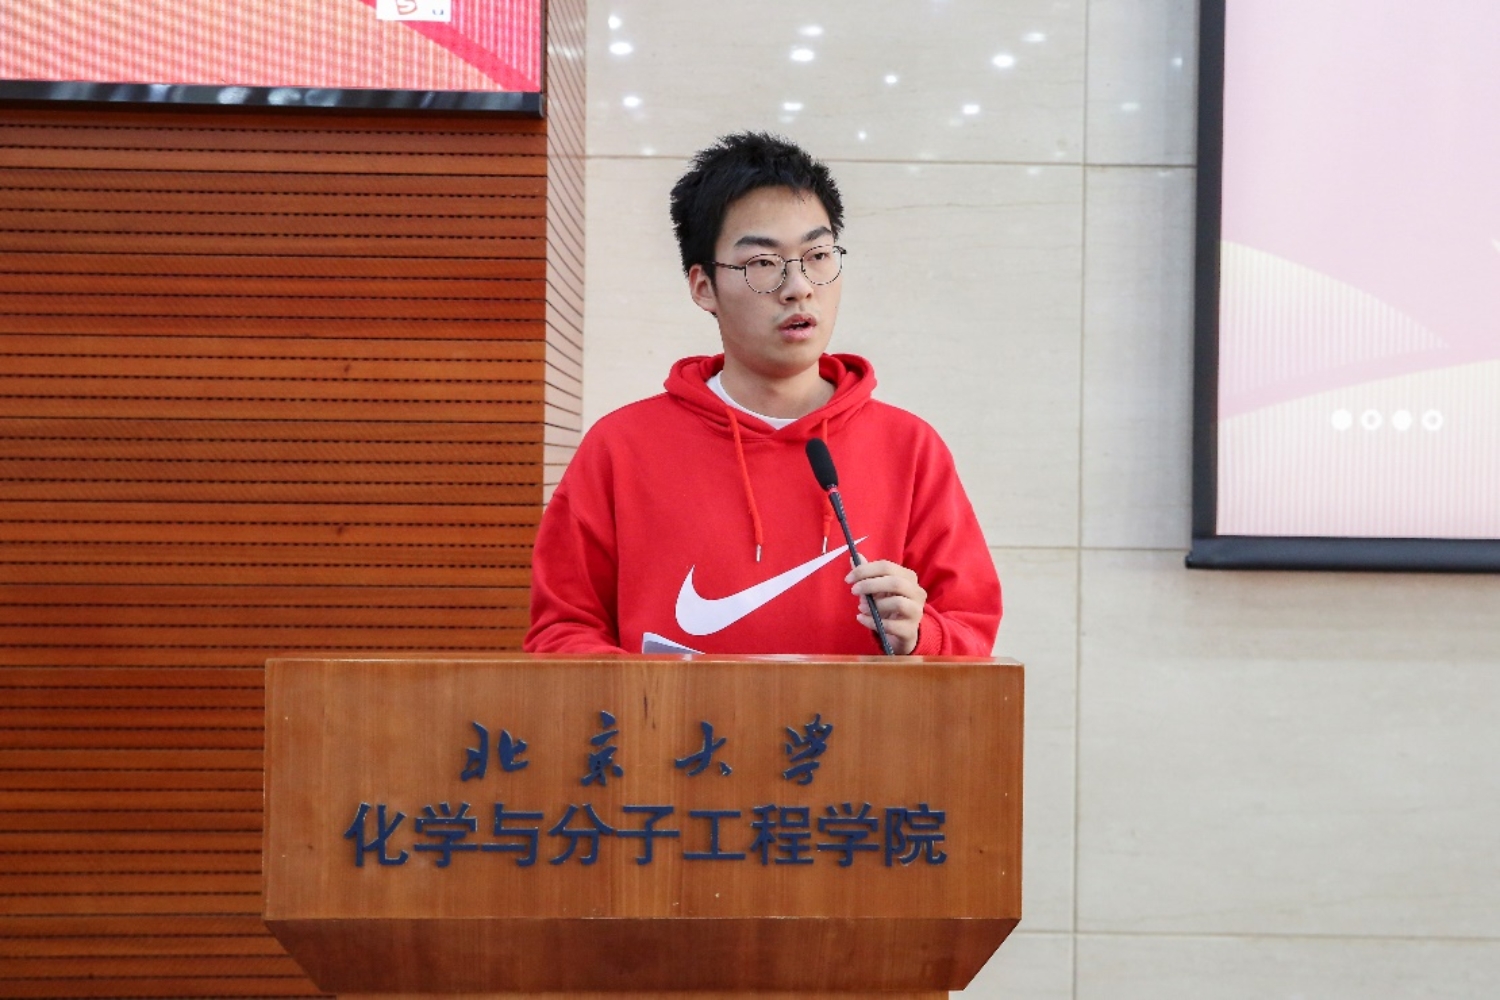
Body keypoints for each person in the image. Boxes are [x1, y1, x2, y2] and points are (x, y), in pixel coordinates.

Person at [524, 132, 1000, 656]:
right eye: (763, 263)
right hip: (670, 717)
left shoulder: (908, 447)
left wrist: (921, 636)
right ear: (703, 286)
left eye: (818, 255)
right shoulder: (621, 447)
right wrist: (654, 695)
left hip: (854, 716)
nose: (799, 286)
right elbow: (560, 632)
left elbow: (970, 632)